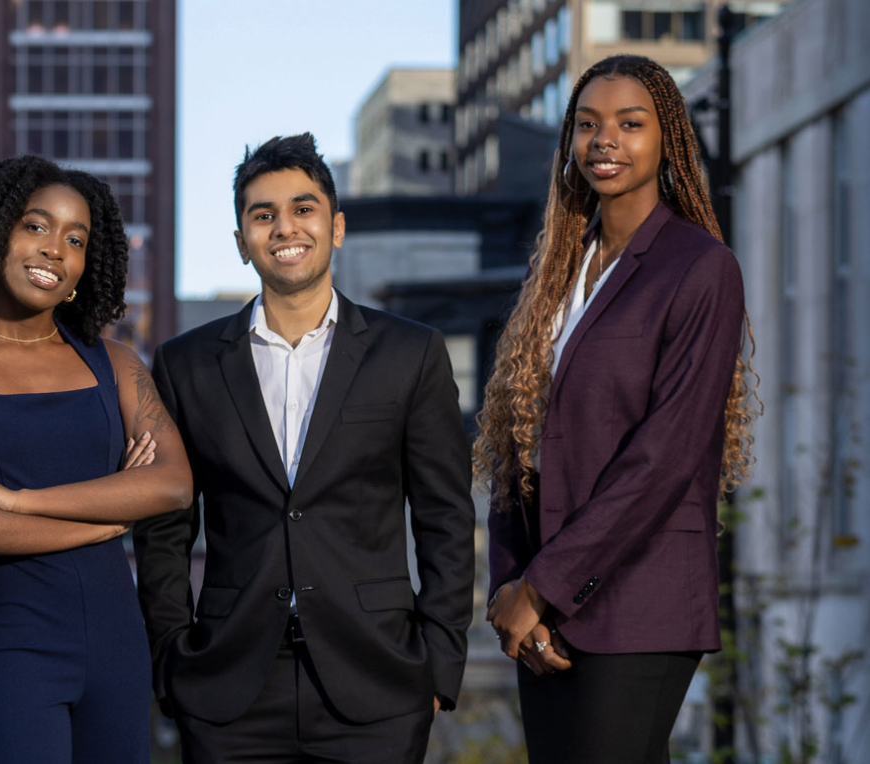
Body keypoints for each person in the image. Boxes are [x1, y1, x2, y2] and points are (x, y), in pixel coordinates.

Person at [133, 133, 474, 763]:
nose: (284, 227)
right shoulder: (185, 366)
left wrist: (438, 665)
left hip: (378, 683)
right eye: (263, 215)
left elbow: (445, 517)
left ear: (336, 227)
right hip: (229, 688)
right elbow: (163, 530)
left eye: (303, 208)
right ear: (242, 242)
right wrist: (171, 659)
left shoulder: (409, 352)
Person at [477, 54, 754, 764]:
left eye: (631, 124)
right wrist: (510, 583)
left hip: (639, 603)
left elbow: (665, 455)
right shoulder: (560, 275)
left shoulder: (699, 267)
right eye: (588, 125)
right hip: (544, 608)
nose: (606, 141)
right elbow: (519, 442)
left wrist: (542, 586)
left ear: (667, 141)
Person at [0, 155, 192, 764]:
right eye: (36, 226)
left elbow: (171, 484)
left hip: (118, 646)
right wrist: (109, 508)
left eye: (75, 238)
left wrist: (17, 499)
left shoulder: (116, 364)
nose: (55, 249)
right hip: (15, 650)